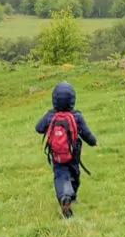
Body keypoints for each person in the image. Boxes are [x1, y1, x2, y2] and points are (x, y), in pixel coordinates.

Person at [35, 82, 97, 218]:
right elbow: (86, 133)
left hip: (56, 155)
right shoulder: (76, 116)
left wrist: (46, 115)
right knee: (74, 175)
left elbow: (39, 128)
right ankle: (71, 197)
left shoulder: (51, 115)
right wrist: (93, 142)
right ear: (72, 100)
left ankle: (64, 196)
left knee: (60, 176)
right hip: (73, 154)